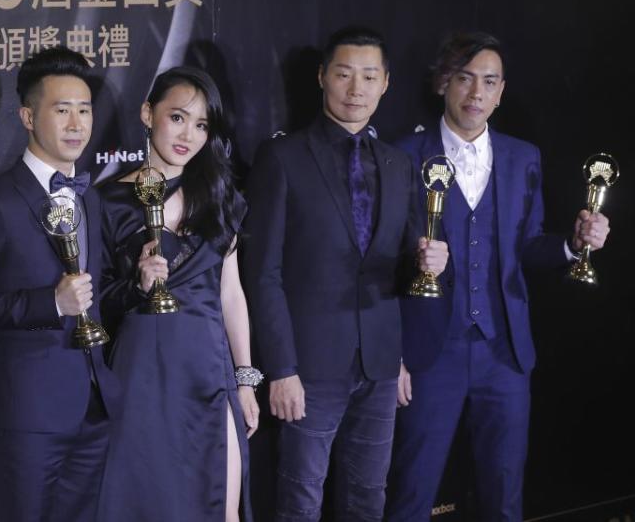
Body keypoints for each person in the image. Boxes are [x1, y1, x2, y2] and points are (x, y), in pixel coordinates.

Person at [385, 32, 612, 522]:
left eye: (489, 82)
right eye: (465, 79)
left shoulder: (522, 157)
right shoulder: (402, 155)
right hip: (429, 353)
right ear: (444, 83)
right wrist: (394, 352)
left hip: (504, 353)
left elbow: (527, 247)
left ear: (502, 91)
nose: (476, 94)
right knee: (411, 489)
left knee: (503, 491)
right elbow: (380, 259)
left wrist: (575, 244)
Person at [243, 26, 449, 521]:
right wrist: (283, 368)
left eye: (368, 76)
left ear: (385, 84)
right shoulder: (282, 157)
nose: (356, 89)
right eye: (344, 74)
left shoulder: (400, 165)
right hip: (309, 368)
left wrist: (428, 264)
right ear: (322, 78)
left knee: (368, 498)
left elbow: (403, 266)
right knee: (300, 499)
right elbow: (262, 273)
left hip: (379, 365)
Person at [0, 46, 120, 522]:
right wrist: (48, 303)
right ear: (28, 116)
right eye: (62, 109)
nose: (76, 123)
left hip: (92, 409)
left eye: (85, 110)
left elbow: (96, 295)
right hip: (22, 416)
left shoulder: (90, 199)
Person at [95, 67, 260, 522]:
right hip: (141, 372)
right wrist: (136, 285)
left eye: (202, 124)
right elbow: (97, 301)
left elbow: (231, 292)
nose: (189, 134)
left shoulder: (221, 196)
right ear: (148, 114)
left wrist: (245, 377)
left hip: (208, 370)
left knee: (219, 503)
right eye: (178, 117)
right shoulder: (107, 202)